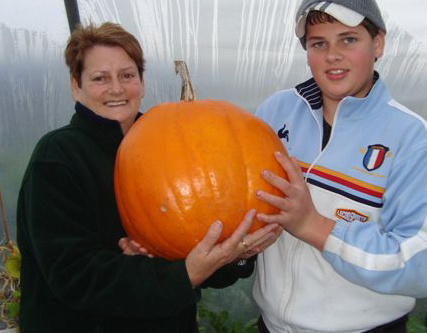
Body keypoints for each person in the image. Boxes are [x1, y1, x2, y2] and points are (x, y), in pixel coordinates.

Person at [16, 22, 280, 332]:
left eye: (127, 75)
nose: (117, 88)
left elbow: (201, 253)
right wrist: (183, 274)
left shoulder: (168, 142)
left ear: (141, 81)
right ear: (76, 85)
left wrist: (236, 255)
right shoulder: (57, 155)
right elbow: (74, 276)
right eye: (100, 78)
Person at [252, 0, 427, 333]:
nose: (333, 56)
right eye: (319, 43)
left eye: (348, 40)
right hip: (271, 325)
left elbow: (421, 266)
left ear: (378, 44)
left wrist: (314, 225)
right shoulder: (274, 113)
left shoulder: (414, 141)